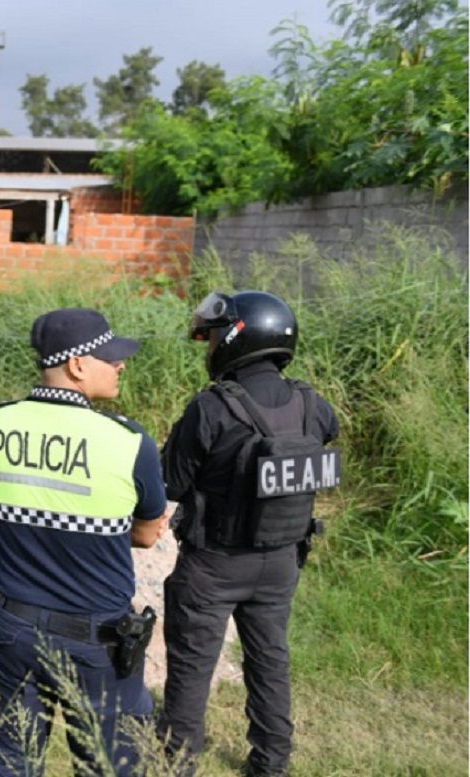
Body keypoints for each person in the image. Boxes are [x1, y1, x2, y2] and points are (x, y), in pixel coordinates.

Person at [0, 308, 172, 777]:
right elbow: (145, 533)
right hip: (96, 641)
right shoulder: (127, 441)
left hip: (12, 628)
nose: (121, 365)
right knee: (106, 763)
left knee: (6, 762)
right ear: (77, 365)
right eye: (111, 357)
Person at [158, 291, 340, 777]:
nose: (209, 346)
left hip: (213, 564)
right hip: (281, 562)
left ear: (236, 338)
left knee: (193, 669)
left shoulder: (211, 408)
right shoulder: (312, 404)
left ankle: (178, 765)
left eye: (214, 336)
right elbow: (325, 439)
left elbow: (170, 483)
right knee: (270, 662)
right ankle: (272, 764)